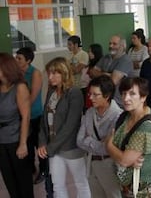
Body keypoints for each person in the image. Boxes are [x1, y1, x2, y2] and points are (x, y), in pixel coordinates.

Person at [38, 57, 91, 198]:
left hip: (70, 147)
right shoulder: (51, 91)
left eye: (55, 73)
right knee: (57, 186)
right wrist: (42, 142)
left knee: (81, 183)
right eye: (49, 73)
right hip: (53, 148)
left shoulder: (74, 93)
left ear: (65, 73)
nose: (50, 77)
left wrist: (50, 148)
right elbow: (44, 119)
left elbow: (70, 125)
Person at [106, 77, 151, 198]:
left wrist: (108, 145)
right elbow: (124, 158)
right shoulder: (125, 116)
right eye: (123, 93)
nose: (126, 98)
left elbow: (124, 160)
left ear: (143, 97)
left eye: (132, 94)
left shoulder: (146, 126)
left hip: (144, 189)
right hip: (127, 186)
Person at [77, 75, 122, 198]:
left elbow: (108, 148)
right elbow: (79, 140)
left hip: (109, 165)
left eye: (95, 94)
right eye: (89, 94)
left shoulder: (118, 117)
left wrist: (89, 140)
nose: (90, 98)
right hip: (91, 163)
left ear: (107, 96)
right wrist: (100, 142)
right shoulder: (90, 112)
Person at [0, 53, 33, 198]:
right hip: (1, 141)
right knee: (9, 181)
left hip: (16, 139)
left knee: (23, 182)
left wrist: (23, 143)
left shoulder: (19, 87)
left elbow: (26, 117)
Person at [15, 47, 47, 185]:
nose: (16, 60)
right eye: (16, 57)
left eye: (19, 58)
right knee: (26, 144)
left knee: (39, 144)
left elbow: (32, 97)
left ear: (28, 60)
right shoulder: (16, 75)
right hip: (22, 117)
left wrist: (22, 108)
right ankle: (31, 169)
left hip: (35, 116)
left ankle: (44, 171)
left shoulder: (35, 74)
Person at [89, 35, 133, 107]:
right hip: (104, 101)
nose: (111, 46)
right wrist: (107, 74)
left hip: (119, 103)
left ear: (122, 46)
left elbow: (113, 81)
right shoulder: (106, 57)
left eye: (114, 44)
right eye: (110, 43)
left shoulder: (125, 60)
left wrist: (99, 74)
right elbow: (91, 72)